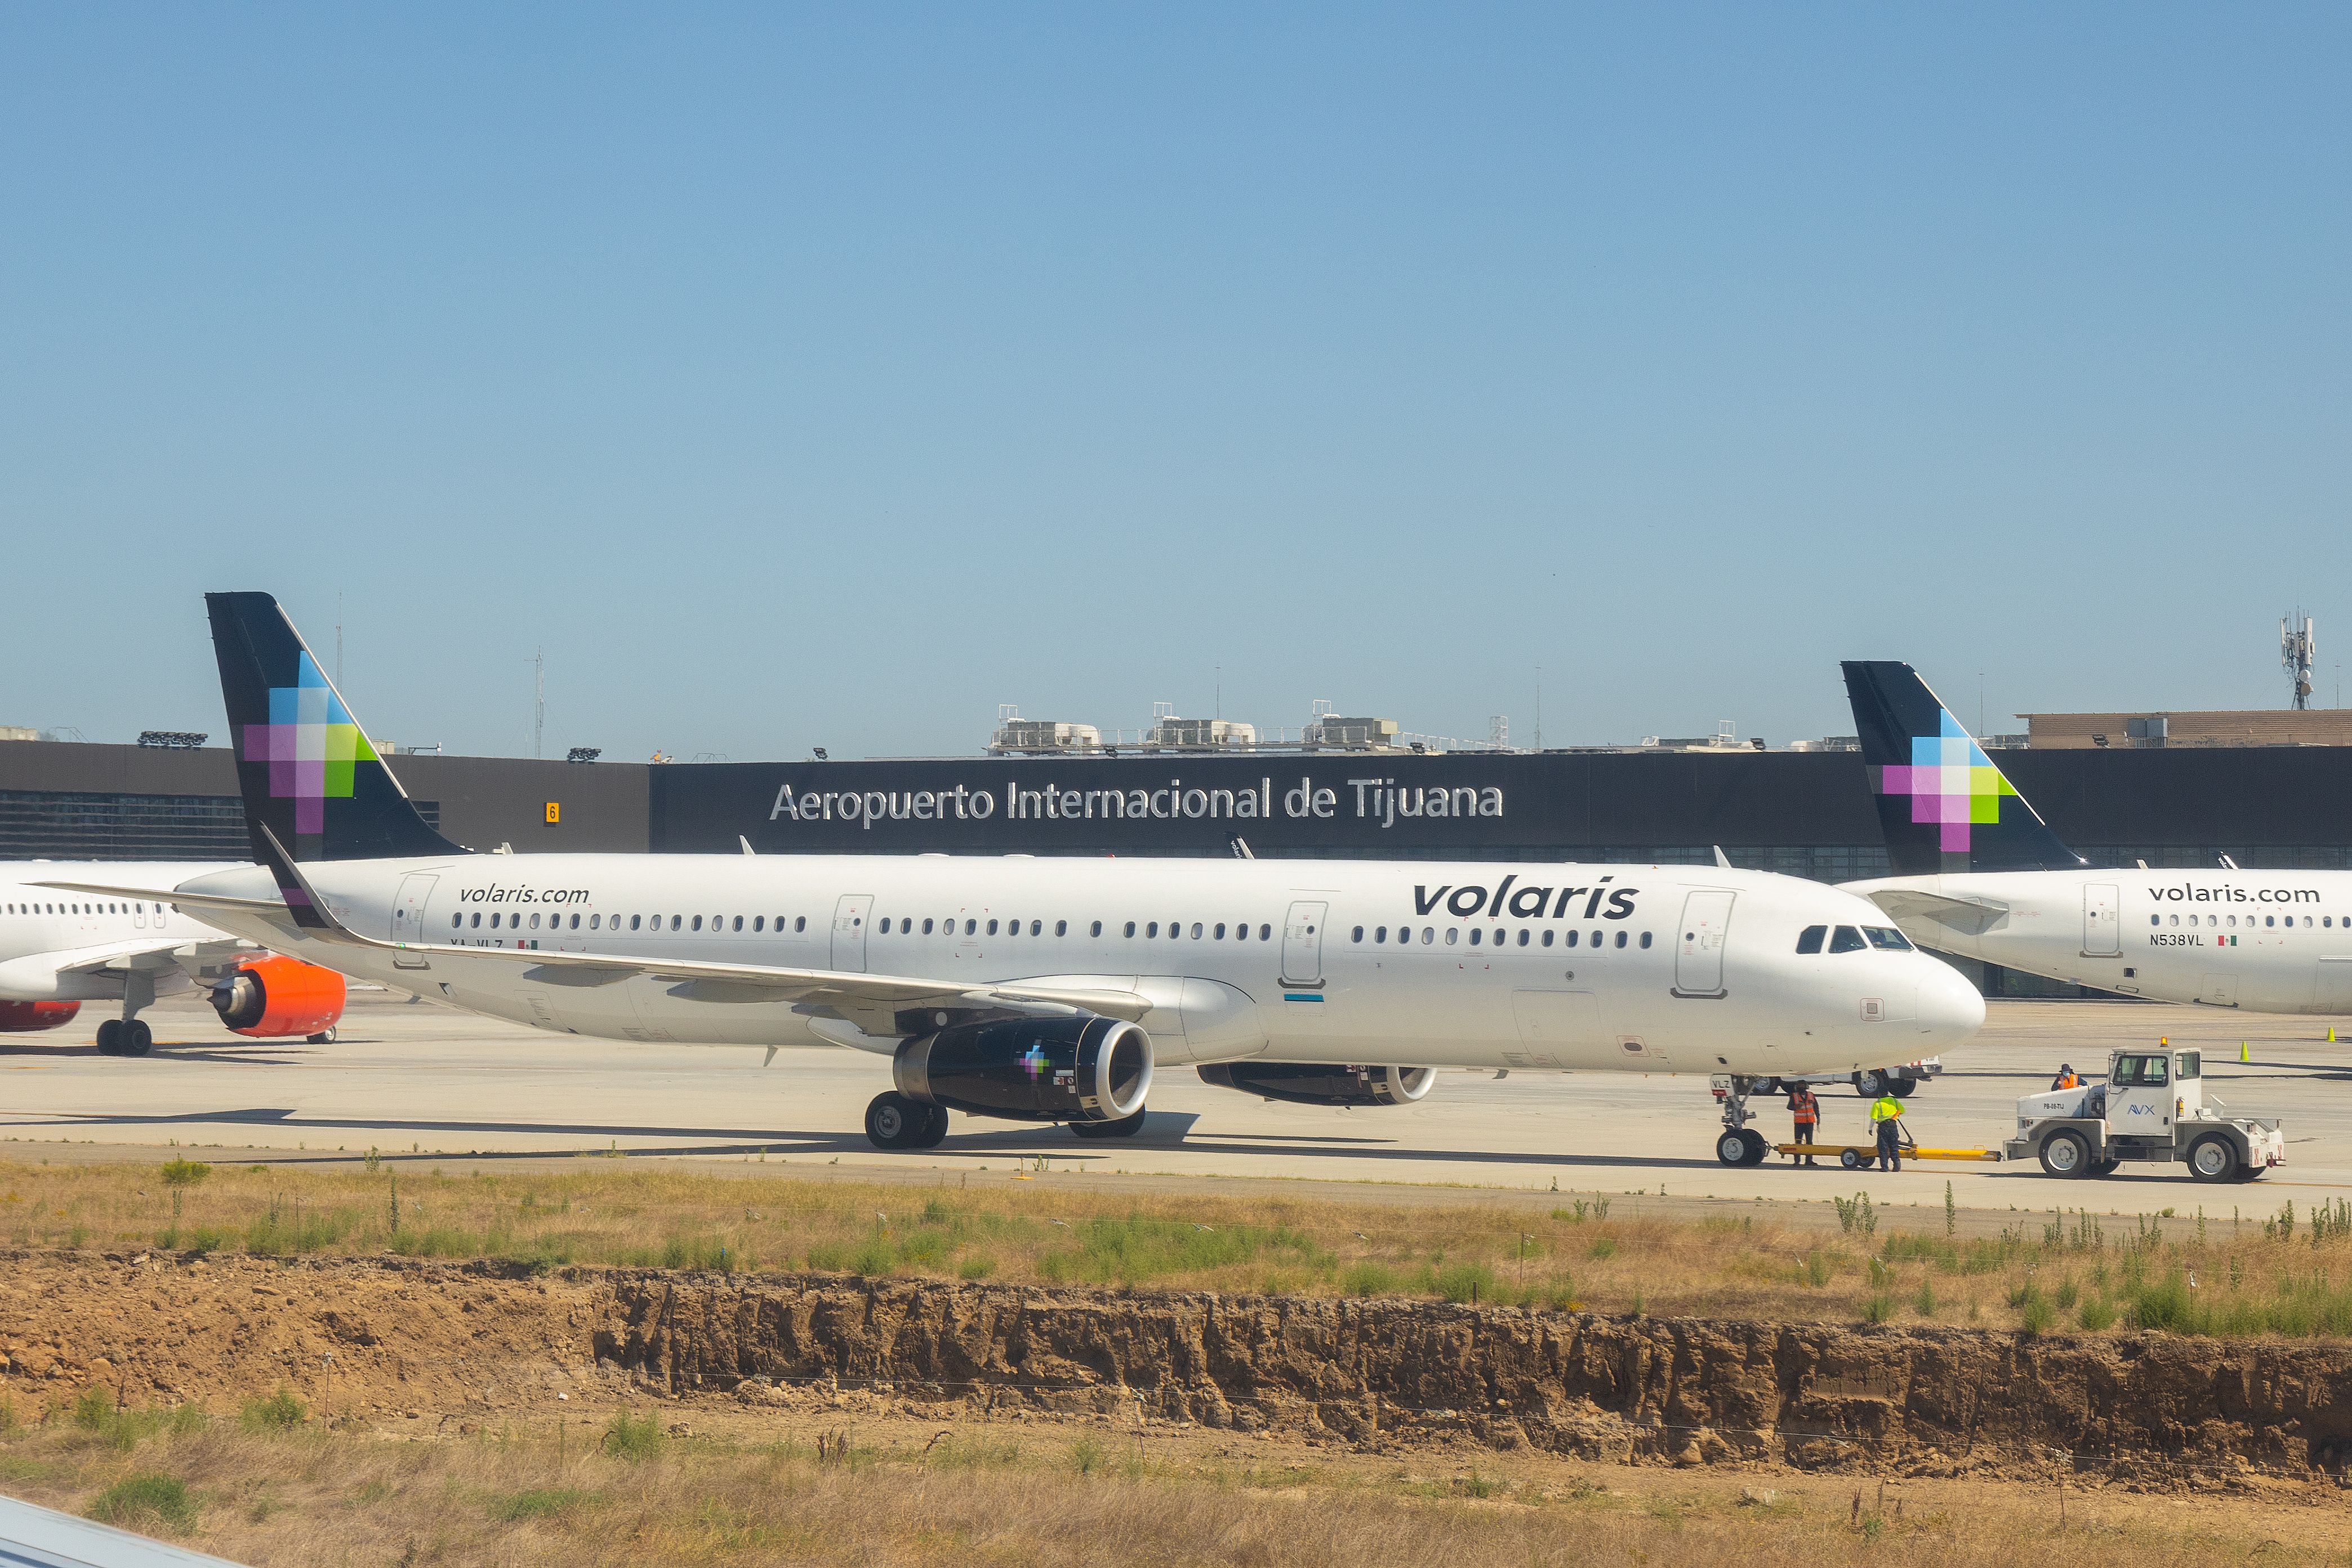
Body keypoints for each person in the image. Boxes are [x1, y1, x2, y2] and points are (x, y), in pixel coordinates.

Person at [1869, 1090, 1906, 1171]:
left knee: (1883, 1147)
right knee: (1894, 1146)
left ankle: (1885, 1167)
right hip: (1893, 1126)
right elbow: (1902, 1110)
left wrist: (1870, 1129)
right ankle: (1897, 1165)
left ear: (1879, 1094)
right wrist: (1895, 1115)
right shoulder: (1894, 1101)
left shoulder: (1877, 1104)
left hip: (1883, 1127)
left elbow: (1873, 1119)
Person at [1787, 1083, 1820, 1166]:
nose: (1802, 1089)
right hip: (1799, 1123)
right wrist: (1796, 1107)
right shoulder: (1794, 1096)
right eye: (1800, 1088)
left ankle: (1809, 1161)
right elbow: (1789, 1107)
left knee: (1809, 1142)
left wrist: (1818, 1117)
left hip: (1809, 1122)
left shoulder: (1811, 1095)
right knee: (1798, 1141)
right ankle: (1797, 1161)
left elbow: (1815, 1106)